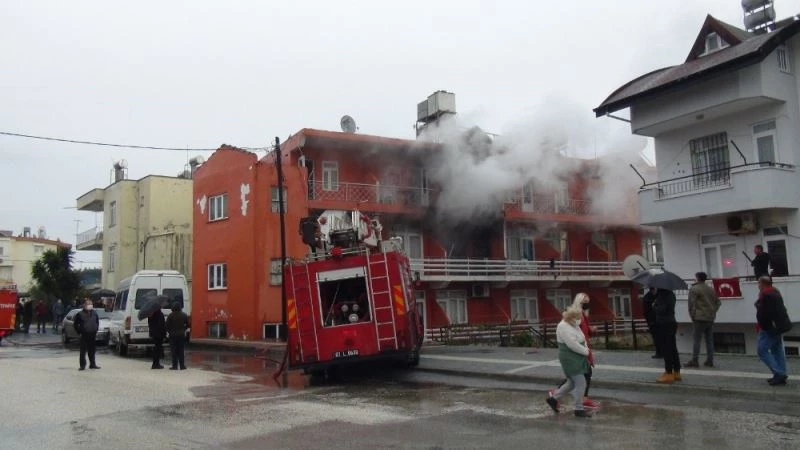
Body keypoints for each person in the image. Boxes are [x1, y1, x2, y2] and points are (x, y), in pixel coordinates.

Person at [545, 306, 592, 418]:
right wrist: (586, 352)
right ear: (571, 317)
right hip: (569, 357)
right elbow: (572, 344)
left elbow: (582, 338)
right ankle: (578, 409)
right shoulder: (563, 326)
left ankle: (553, 399)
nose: (580, 319)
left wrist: (586, 349)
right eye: (578, 317)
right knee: (581, 383)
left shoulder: (574, 324)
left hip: (578, 355)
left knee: (571, 383)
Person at [755, 276, 791, 386]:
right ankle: (780, 374)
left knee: (762, 350)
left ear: (763, 284)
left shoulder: (766, 295)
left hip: (769, 328)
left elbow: (766, 313)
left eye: (759, 283)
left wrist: (765, 325)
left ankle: (779, 373)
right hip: (779, 326)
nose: (758, 285)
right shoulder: (775, 291)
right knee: (777, 350)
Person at [684, 272, 721, 368]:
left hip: (699, 317)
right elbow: (718, 302)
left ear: (697, 278)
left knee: (697, 339)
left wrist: (693, 315)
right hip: (710, 317)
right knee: (709, 339)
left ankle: (695, 360)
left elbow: (691, 304)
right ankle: (710, 360)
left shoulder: (694, 289)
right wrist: (713, 311)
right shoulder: (711, 289)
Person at [653, 288, 681, 383]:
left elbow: (662, 309)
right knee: (672, 347)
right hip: (671, 322)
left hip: (664, 323)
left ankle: (669, 372)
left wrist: (654, 306)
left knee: (666, 348)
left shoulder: (663, 295)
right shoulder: (671, 294)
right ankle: (677, 371)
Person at [73, 299, 100, 370]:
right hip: (84, 334)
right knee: (83, 351)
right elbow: (75, 325)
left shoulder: (94, 313)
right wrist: (80, 332)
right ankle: (82, 365)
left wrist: (96, 328)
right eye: (88, 304)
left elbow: (97, 321)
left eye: (91, 304)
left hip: (92, 334)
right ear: (84, 305)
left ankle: (92, 364)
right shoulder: (80, 314)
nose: (90, 305)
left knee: (92, 350)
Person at [166, 303, 190, 370]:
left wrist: (169, 331)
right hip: (181, 335)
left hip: (172, 335)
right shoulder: (184, 315)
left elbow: (167, 325)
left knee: (174, 351)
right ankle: (182, 366)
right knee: (181, 350)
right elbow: (188, 324)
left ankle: (175, 366)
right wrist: (183, 329)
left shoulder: (171, 315)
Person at [148, 295, 167, 369]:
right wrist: (164, 333)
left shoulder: (151, 313)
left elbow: (150, 323)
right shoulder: (158, 313)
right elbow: (161, 325)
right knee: (157, 348)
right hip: (158, 333)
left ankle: (155, 363)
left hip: (154, 333)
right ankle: (156, 364)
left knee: (156, 348)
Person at [642, 286, 661, 358]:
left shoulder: (648, 297)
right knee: (657, 337)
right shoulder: (649, 298)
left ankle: (659, 352)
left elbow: (645, 312)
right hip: (653, 320)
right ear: (654, 289)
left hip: (654, 320)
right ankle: (659, 352)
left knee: (657, 337)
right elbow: (646, 311)